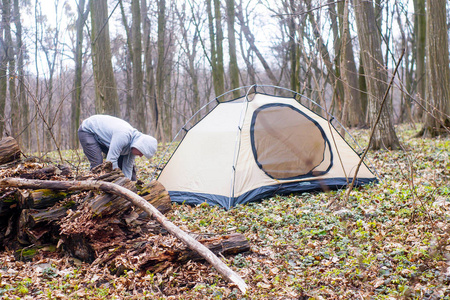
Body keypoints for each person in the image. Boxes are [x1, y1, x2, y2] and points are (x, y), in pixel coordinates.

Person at [78, 115, 157, 181]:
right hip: (88, 130)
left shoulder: (133, 146)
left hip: (104, 139)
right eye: (142, 153)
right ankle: (92, 188)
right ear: (140, 146)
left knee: (131, 173)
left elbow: (127, 168)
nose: (140, 156)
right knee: (98, 164)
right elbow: (110, 161)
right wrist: (118, 183)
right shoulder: (123, 135)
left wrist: (127, 185)